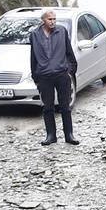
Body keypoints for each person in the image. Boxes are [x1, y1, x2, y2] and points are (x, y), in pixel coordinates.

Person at [29, 9, 79, 146]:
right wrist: (35, 76)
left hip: (61, 74)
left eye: (54, 19)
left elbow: (69, 53)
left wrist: (70, 71)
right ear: (43, 20)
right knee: (47, 107)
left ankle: (69, 135)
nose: (53, 22)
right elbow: (33, 56)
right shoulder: (34, 34)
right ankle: (51, 135)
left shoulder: (62, 31)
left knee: (65, 106)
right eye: (50, 19)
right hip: (44, 76)